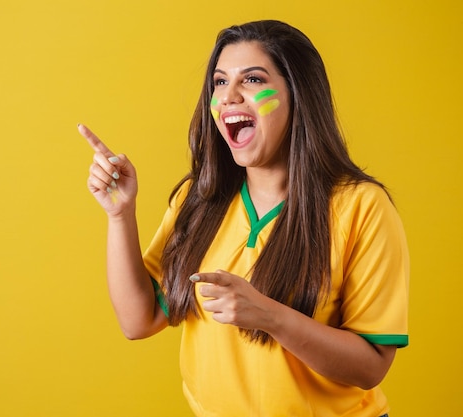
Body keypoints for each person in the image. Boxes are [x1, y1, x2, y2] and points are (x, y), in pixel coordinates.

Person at [79, 20, 408, 417]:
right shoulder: (198, 199)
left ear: (297, 95)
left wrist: (270, 316)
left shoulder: (362, 207)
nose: (229, 96)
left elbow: (371, 366)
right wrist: (120, 214)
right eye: (219, 82)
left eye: (251, 79)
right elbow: (139, 320)